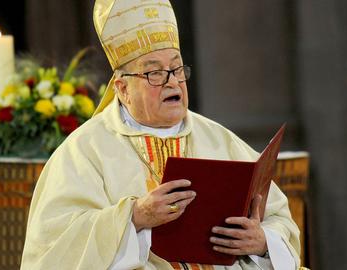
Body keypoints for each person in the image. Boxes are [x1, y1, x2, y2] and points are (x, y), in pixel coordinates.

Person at [21, 0, 301, 269]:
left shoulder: (220, 140)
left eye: (177, 68)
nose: (172, 81)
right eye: (154, 73)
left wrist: (261, 241)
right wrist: (135, 217)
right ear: (122, 89)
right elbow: (54, 248)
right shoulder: (83, 152)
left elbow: (278, 219)